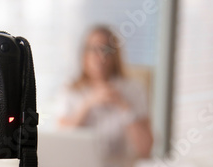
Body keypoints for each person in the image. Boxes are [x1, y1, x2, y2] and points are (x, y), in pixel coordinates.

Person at [57, 26, 153, 167]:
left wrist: (123, 106)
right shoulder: (71, 90)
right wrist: (87, 104)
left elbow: (145, 149)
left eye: (106, 50)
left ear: (115, 55)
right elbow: (60, 141)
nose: (100, 57)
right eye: (94, 49)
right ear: (84, 55)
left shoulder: (133, 89)